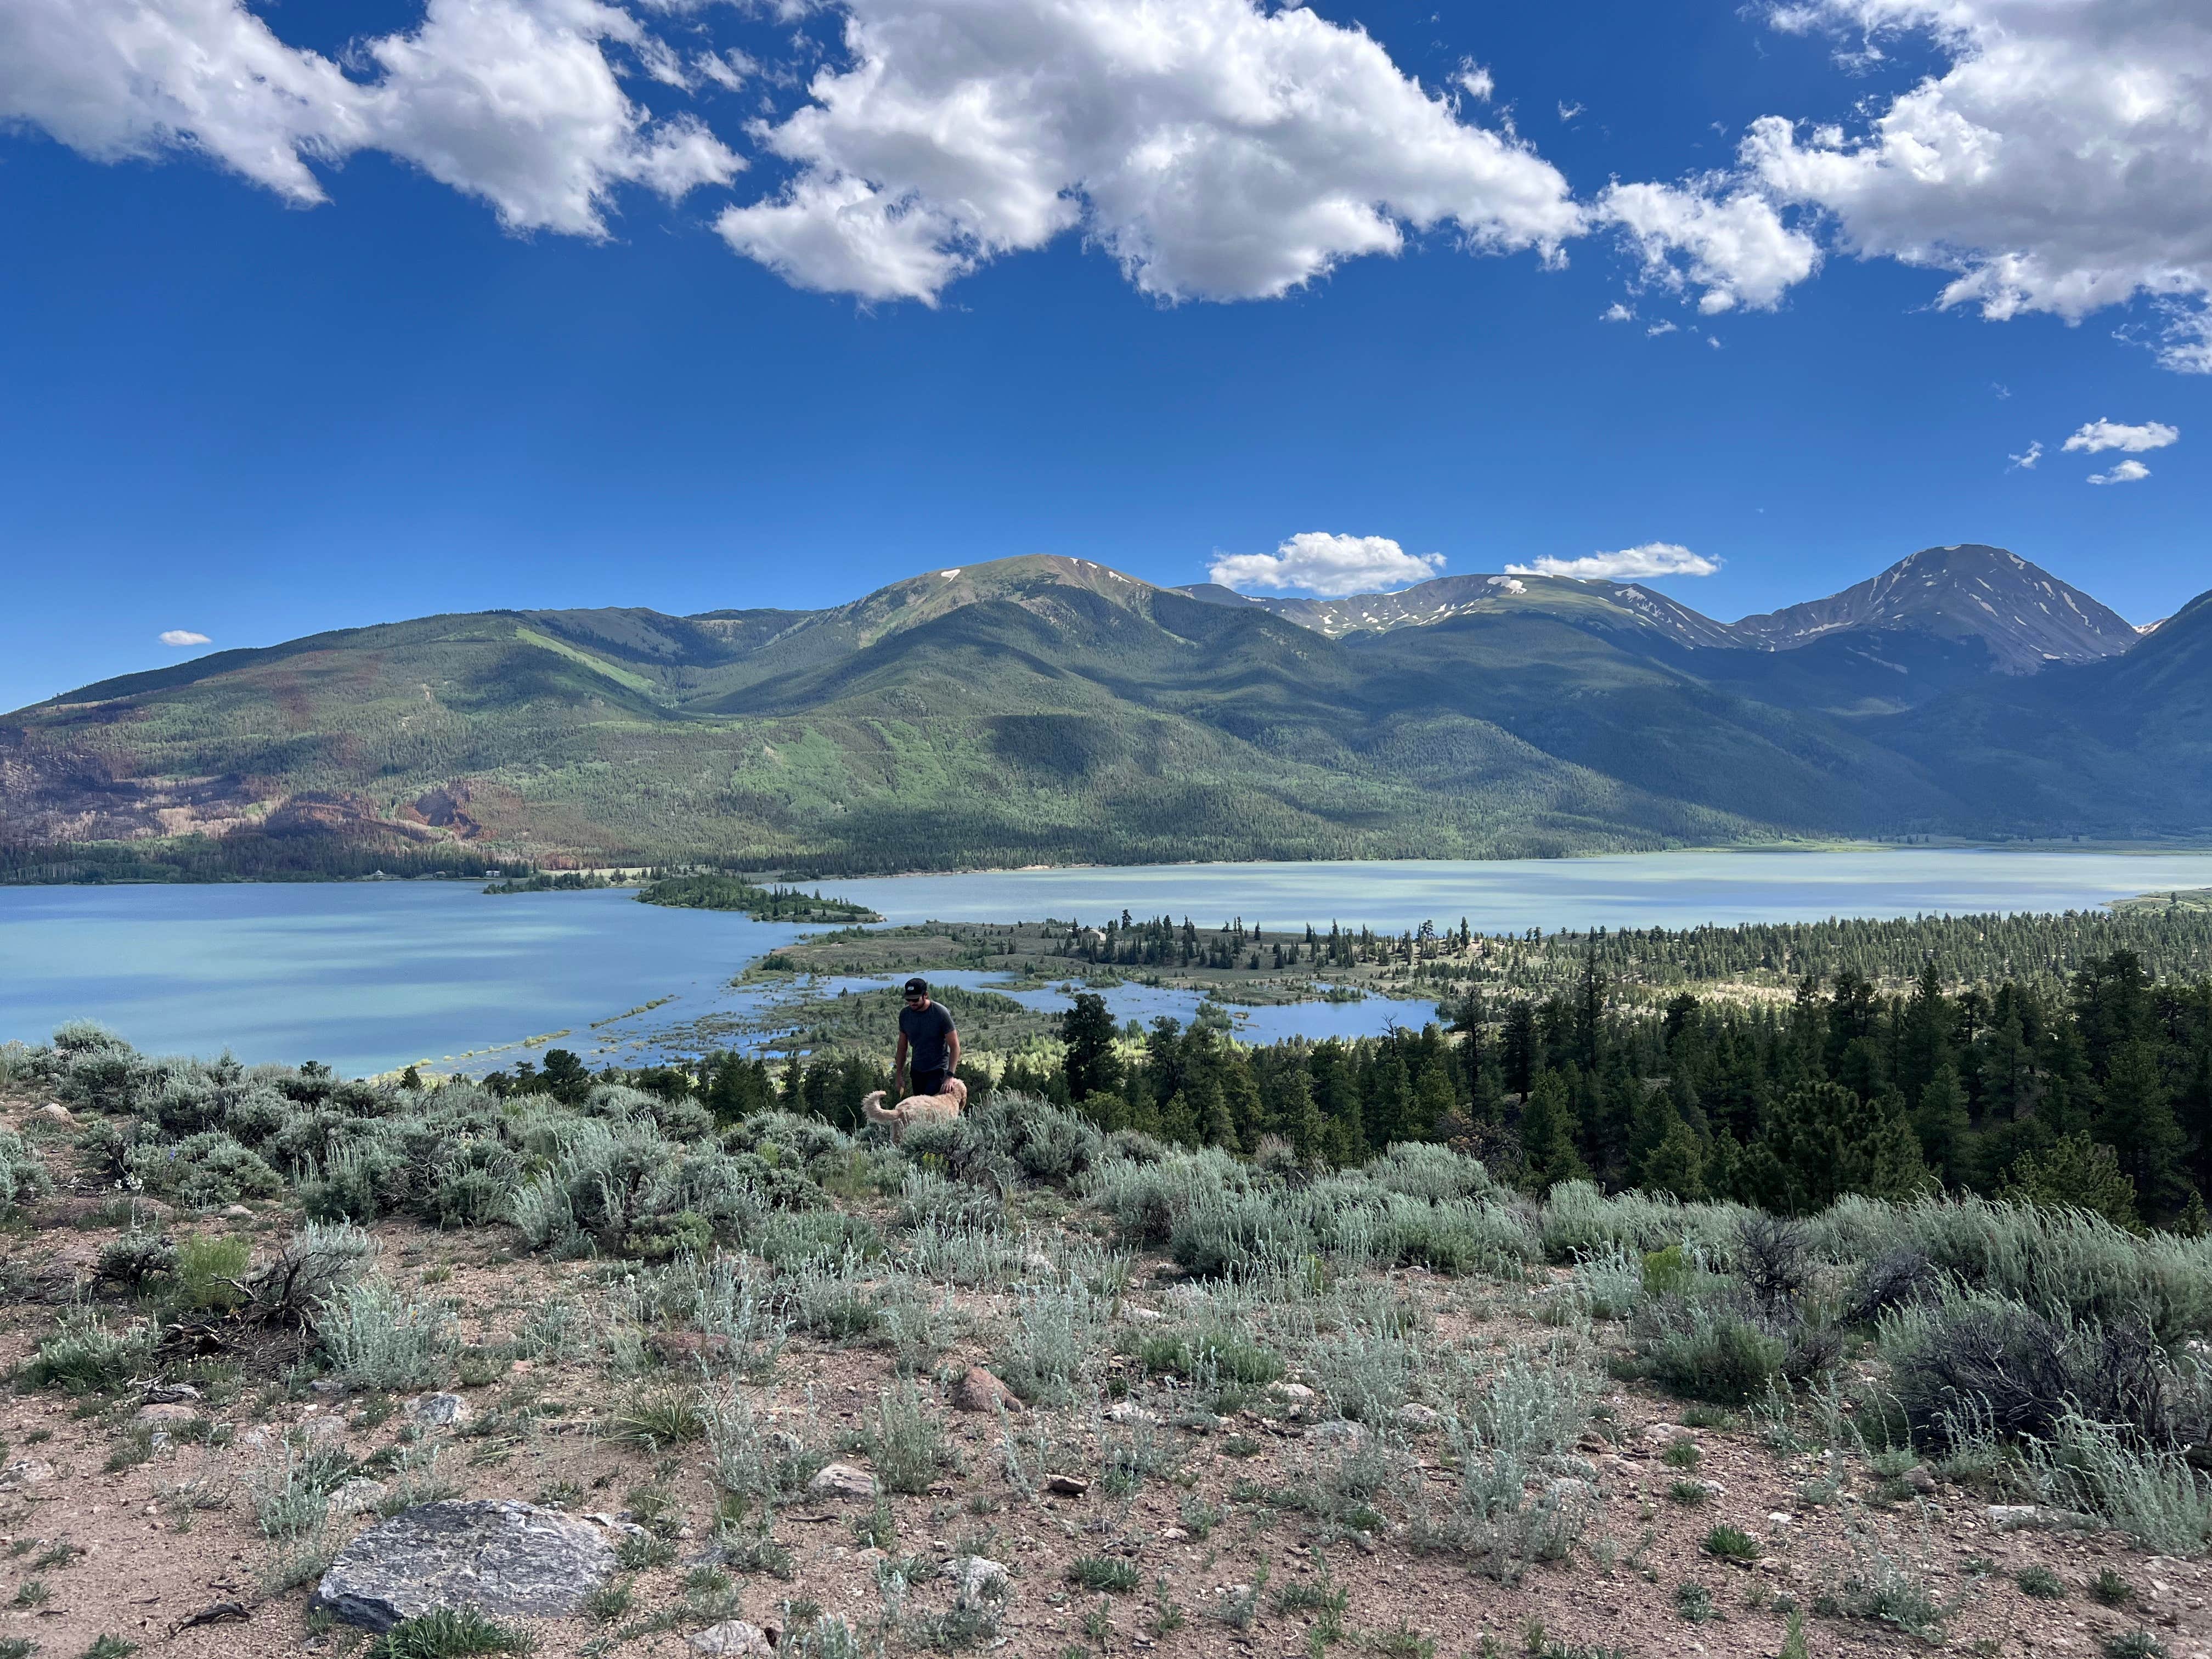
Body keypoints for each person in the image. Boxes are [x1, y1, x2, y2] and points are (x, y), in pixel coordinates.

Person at [894, 976, 960, 1098]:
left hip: (938, 1070)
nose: (911, 1003)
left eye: (915, 999)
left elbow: (955, 1046)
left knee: (931, 1107)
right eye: (908, 999)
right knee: (920, 1109)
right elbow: (902, 1047)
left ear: (926, 995)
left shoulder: (940, 1013)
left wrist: (950, 1076)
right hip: (917, 1070)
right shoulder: (905, 1015)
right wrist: (899, 1074)